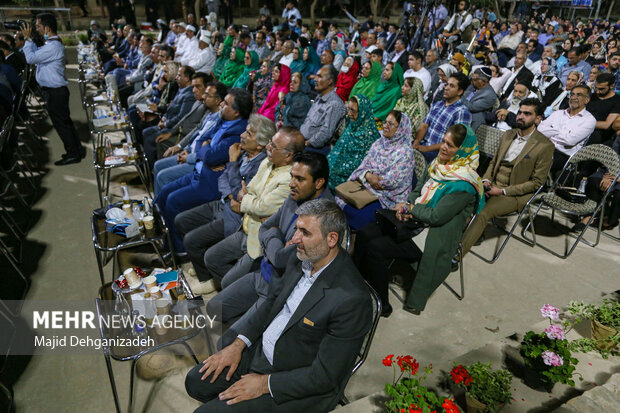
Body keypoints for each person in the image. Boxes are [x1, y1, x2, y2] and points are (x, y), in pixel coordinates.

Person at [185, 198, 372, 413]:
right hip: (263, 352)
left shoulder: (352, 299)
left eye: (305, 233)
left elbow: (325, 377)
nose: (294, 239)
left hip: (295, 380)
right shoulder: (299, 255)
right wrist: (238, 345)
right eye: (297, 229)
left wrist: (265, 384)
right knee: (194, 381)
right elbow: (270, 303)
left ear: (332, 239)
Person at [354, 124, 484, 315]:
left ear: (463, 151)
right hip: (416, 219)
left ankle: (382, 304)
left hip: (432, 233)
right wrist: (406, 206)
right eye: (444, 142)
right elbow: (417, 191)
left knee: (376, 249)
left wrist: (410, 209)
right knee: (365, 233)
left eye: (450, 145)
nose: (443, 147)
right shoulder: (438, 165)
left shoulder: (465, 184)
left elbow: (437, 216)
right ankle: (356, 281)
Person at [206, 152, 333, 333]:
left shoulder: (323, 218)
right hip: (264, 272)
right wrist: (276, 237)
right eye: (291, 177)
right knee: (214, 309)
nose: (291, 184)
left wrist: (273, 236)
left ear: (319, 183)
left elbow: (282, 259)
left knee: (232, 338)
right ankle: (252, 332)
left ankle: (253, 337)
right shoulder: (295, 195)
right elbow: (265, 229)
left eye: (299, 179)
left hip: (281, 290)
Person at [200, 128, 306, 288]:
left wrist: (247, 199)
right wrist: (249, 199)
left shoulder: (289, 179)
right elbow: (249, 190)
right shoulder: (268, 162)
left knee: (228, 282)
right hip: (246, 226)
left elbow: (260, 206)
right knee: (211, 257)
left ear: (288, 155)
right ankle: (234, 292)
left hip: (259, 239)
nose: (267, 147)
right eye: (270, 142)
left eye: (274, 146)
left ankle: (236, 293)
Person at [155, 89, 252, 253]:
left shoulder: (238, 132)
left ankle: (179, 250)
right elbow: (201, 139)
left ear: (236, 112)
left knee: (172, 201)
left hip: (210, 182)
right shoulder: (223, 120)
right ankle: (166, 235)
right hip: (199, 170)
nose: (221, 104)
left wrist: (206, 150)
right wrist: (205, 149)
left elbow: (212, 158)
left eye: (226, 104)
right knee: (164, 192)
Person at [461, 98, 554, 255]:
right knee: (460, 196)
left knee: (483, 212)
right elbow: (493, 162)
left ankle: (456, 254)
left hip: (515, 194)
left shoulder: (544, 146)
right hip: (493, 183)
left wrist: (502, 192)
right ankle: (466, 234)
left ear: (538, 119)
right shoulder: (508, 134)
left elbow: (537, 183)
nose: (520, 116)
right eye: (519, 112)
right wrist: (486, 180)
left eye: (527, 114)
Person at [21, 14, 83, 165]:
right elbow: (36, 54)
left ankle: (73, 153)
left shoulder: (53, 46)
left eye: (38, 26)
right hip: (56, 91)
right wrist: (32, 42)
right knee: (65, 123)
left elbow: (30, 58)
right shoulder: (51, 44)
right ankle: (76, 150)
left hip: (55, 92)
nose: (36, 29)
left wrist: (28, 40)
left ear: (47, 28)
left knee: (62, 125)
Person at [339, 110, 414, 230]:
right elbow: (363, 166)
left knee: (360, 215)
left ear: (401, 129)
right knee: (339, 198)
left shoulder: (405, 152)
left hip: (388, 197)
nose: (384, 126)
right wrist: (368, 175)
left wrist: (372, 176)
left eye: (390, 124)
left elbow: (390, 182)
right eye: (385, 122)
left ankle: (354, 243)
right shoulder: (379, 143)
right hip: (368, 186)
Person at [153, 81, 227, 195]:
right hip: (189, 152)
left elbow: (208, 147)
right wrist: (185, 149)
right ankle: (157, 206)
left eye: (207, 95)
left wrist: (189, 157)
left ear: (218, 100)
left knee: (163, 176)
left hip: (197, 160)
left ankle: (164, 209)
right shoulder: (209, 114)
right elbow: (196, 134)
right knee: (158, 165)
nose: (203, 96)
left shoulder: (220, 120)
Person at [538, 84, 597, 174]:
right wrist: (561, 134)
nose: (574, 97)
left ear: (587, 100)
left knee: (533, 160)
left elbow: (570, 141)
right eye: (572, 94)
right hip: (543, 146)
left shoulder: (589, 120)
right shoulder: (558, 113)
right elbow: (540, 129)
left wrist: (551, 132)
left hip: (562, 155)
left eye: (579, 95)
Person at [414, 73, 472, 163]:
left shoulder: (462, 112)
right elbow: (424, 125)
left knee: (411, 158)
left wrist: (427, 148)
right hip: (423, 144)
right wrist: (416, 142)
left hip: (439, 152)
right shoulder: (438, 104)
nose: (446, 88)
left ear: (460, 91)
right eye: (446, 84)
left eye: (451, 86)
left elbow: (453, 142)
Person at [327, 95, 380, 190]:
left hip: (351, 176)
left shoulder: (368, 135)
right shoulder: (352, 126)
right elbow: (338, 149)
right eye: (348, 109)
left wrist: (335, 169)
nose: (349, 114)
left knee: (327, 178)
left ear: (363, 112)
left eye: (353, 111)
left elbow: (360, 163)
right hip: (337, 166)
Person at [300, 65, 346, 154]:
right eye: (316, 76)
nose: (315, 79)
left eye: (320, 76)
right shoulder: (319, 98)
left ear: (329, 81)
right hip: (304, 144)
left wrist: (307, 143)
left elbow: (326, 133)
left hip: (315, 150)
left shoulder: (334, 104)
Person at [585, 73, 620, 146]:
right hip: (582, 128)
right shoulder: (591, 96)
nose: (597, 91)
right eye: (596, 88)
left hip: (600, 134)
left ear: (612, 86)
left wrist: (583, 123)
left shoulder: (617, 101)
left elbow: (607, 125)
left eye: (601, 89)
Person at [461, 67, 497, 132]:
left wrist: (458, 95)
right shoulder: (473, 86)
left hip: (472, 120)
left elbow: (472, 107)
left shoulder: (490, 95)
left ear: (483, 82)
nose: (472, 81)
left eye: (475, 79)